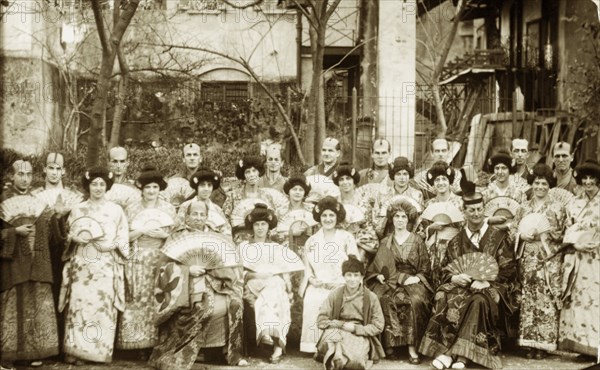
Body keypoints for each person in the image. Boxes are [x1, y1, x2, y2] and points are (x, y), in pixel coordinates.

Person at [419, 173, 518, 370]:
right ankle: (447, 352)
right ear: (463, 212)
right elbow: (444, 269)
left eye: (480, 209)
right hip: (463, 285)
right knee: (443, 295)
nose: (476, 214)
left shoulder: (498, 237)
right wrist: (455, 277)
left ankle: (457, 355)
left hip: (492, 287)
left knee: (478, 300)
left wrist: (488, 281)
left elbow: (509, 269)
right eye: (471, 210)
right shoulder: (456, 241)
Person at [148, 201, 247, 369]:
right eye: (194, 214)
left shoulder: (216, 236)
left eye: (202, 215)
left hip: (217, 282)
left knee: (235, 304)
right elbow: (163, 268)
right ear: (186, 216)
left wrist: (216, 269)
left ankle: (227, 352)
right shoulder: (177, 236)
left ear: (207, 217)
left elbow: (231, 264)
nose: (198, 218)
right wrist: (187, 269)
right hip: (188, 286)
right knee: (204, 307)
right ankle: (185, 353)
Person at [60, 167, 129, 365]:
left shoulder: (116, 210)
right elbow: (67, 236)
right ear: (88, 186)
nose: (98, 188)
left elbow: (123, 237)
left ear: (107, 186)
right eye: (94, 184)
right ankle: (74, 351)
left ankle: (98, 351)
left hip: (105, 264)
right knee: (79, 304)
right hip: (81, 264)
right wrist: (74, 239)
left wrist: (111, 245)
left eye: (102, 184)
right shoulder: (78, 210)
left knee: (102, 307)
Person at [1, 160, 59, 369]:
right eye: (20, 174)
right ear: (12, 176)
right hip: (13, 265)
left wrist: (58, 217)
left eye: (28, 174)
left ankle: (34, 351)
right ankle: (10, 355)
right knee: (14, 307)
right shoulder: (3, 201)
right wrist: (13, 232)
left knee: (36, 306)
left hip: (38, 263)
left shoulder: (39, 203)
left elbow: (55, 237)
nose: (25, 178)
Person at [116, 166, 176, 355]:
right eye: (148, 187)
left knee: (157, 298)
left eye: (155, 188)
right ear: (141, 188)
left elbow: (176, 237)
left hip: (160, 257)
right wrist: (140, 231)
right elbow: (122, 236)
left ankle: (155, 345)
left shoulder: (168, 208)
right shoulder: (132, 209)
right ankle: (134, 343)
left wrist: (163, 234)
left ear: (160, 189)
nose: (151, 191)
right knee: (136, 297)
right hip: (137, 257)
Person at [365, 199, 432, 364]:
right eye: (397, 217)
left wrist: (418, 277)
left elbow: (425, 266)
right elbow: (377, 266)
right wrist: (379, 275)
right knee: (383, 299)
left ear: (408, 220)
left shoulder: (417, 240)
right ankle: (389, 345)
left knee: (414, 301)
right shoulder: (385, 241)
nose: (400, 220)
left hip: (412, 280)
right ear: (392, 219)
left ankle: (412, 346)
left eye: (403, 217)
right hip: (390, 281)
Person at [510, 163, 565, 359]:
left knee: (545, 300)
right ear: (531, 184)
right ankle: (528, 343)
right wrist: (521, 236)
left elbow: (561, 234)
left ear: (549, 185)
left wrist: (543, 235)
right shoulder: (524, 207)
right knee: (527, 300)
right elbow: (513, 229)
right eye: (536, 183)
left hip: (547, 259)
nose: (540, 187)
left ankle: (544, 344)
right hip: (527, 258)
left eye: (544, 183)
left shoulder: (557, 208)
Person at [299, 196, 360, 353]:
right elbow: (307, 268)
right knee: (312, 299)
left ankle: (338, 345)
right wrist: (312, 280)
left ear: (337, 217)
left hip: (342, 284)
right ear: (319, 218)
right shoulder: (312, 241)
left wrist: (344, 281)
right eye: (324, 215)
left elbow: (354, 265)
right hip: (319, 284)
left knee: (340, 301)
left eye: (331, 215)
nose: (328, 219)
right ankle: (314, 346)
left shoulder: (346, 238)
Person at [239, 204, 293, 364]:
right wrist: (257, 274)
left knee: (276, 287)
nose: (260, 228)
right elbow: (238, 272)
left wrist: (289, 287)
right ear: (252, 227)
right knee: (275, 289)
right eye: (257, 224)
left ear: (269, 226)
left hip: (272, 284)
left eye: (263, 224)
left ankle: (270, 336)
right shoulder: (244, 247)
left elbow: (284, 271)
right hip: (251, 284)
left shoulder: (275, 247)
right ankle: (276, 344)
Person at [559, 158, 600, 363]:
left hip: (596, 257)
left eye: (592, 178)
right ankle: (582, 347)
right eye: (585, 178)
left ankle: (596, 346)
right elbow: (568, 229)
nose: (588, 182)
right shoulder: (575, 202)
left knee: (595, 300)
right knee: (578, 300)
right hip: (578, 255)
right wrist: (576, 243)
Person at [314, 255, 385, 370]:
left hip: (359, 334)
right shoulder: (335, 294)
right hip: (336, 329)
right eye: (349, 275)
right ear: (344, 276)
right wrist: (337, 324)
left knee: (356, 361)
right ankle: (335, 357)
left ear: (361, 276)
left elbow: (378, 326)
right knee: (330, 341)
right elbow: (321, 320)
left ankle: (334, 358)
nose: (352, 279)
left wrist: (355, 329)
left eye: (356, 275)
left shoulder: (371, 297)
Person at [416, 161, 462, 288]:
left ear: (449, 182)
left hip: (455, 245)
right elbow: (420, 231)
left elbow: (467, 226)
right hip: (434, 247)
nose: (441, 183)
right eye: (437, 180)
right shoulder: (428, 204)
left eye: (444, 179)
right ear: (433, 184)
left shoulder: (460, 202)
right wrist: (431, 228)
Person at [222, 156, 282, 240]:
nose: (251, 175)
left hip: (262, 241)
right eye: (248, 172)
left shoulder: (267, 197)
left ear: (259, 173)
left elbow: (272, 221)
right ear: (244, 176)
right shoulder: (233, 196)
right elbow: (225, 222)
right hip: (240, 240)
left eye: (254, 171)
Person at [333, 162, 378, 260]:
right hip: (335, 245)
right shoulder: (333, 203)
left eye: (348, 178)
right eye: (341, 179)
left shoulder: (364, 204)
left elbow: (370, 231)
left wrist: (355, 240)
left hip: (359, 245)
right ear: (337, 182)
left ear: (354, 181)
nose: (345, 182)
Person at [176, 167, 231, 236]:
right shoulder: (186, 206)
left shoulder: (217, 209)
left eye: (209, 185)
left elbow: (227, 232)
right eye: (202, 185)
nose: (206, 189)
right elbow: (177, 230)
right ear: (197, 187)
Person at [171, 143, 227, 207]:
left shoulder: (209, 177)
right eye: (188, 155)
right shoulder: (176, 179)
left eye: (195, 155)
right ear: (183, 159)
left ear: (200, 158)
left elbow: (219, 200)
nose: (192, 158)